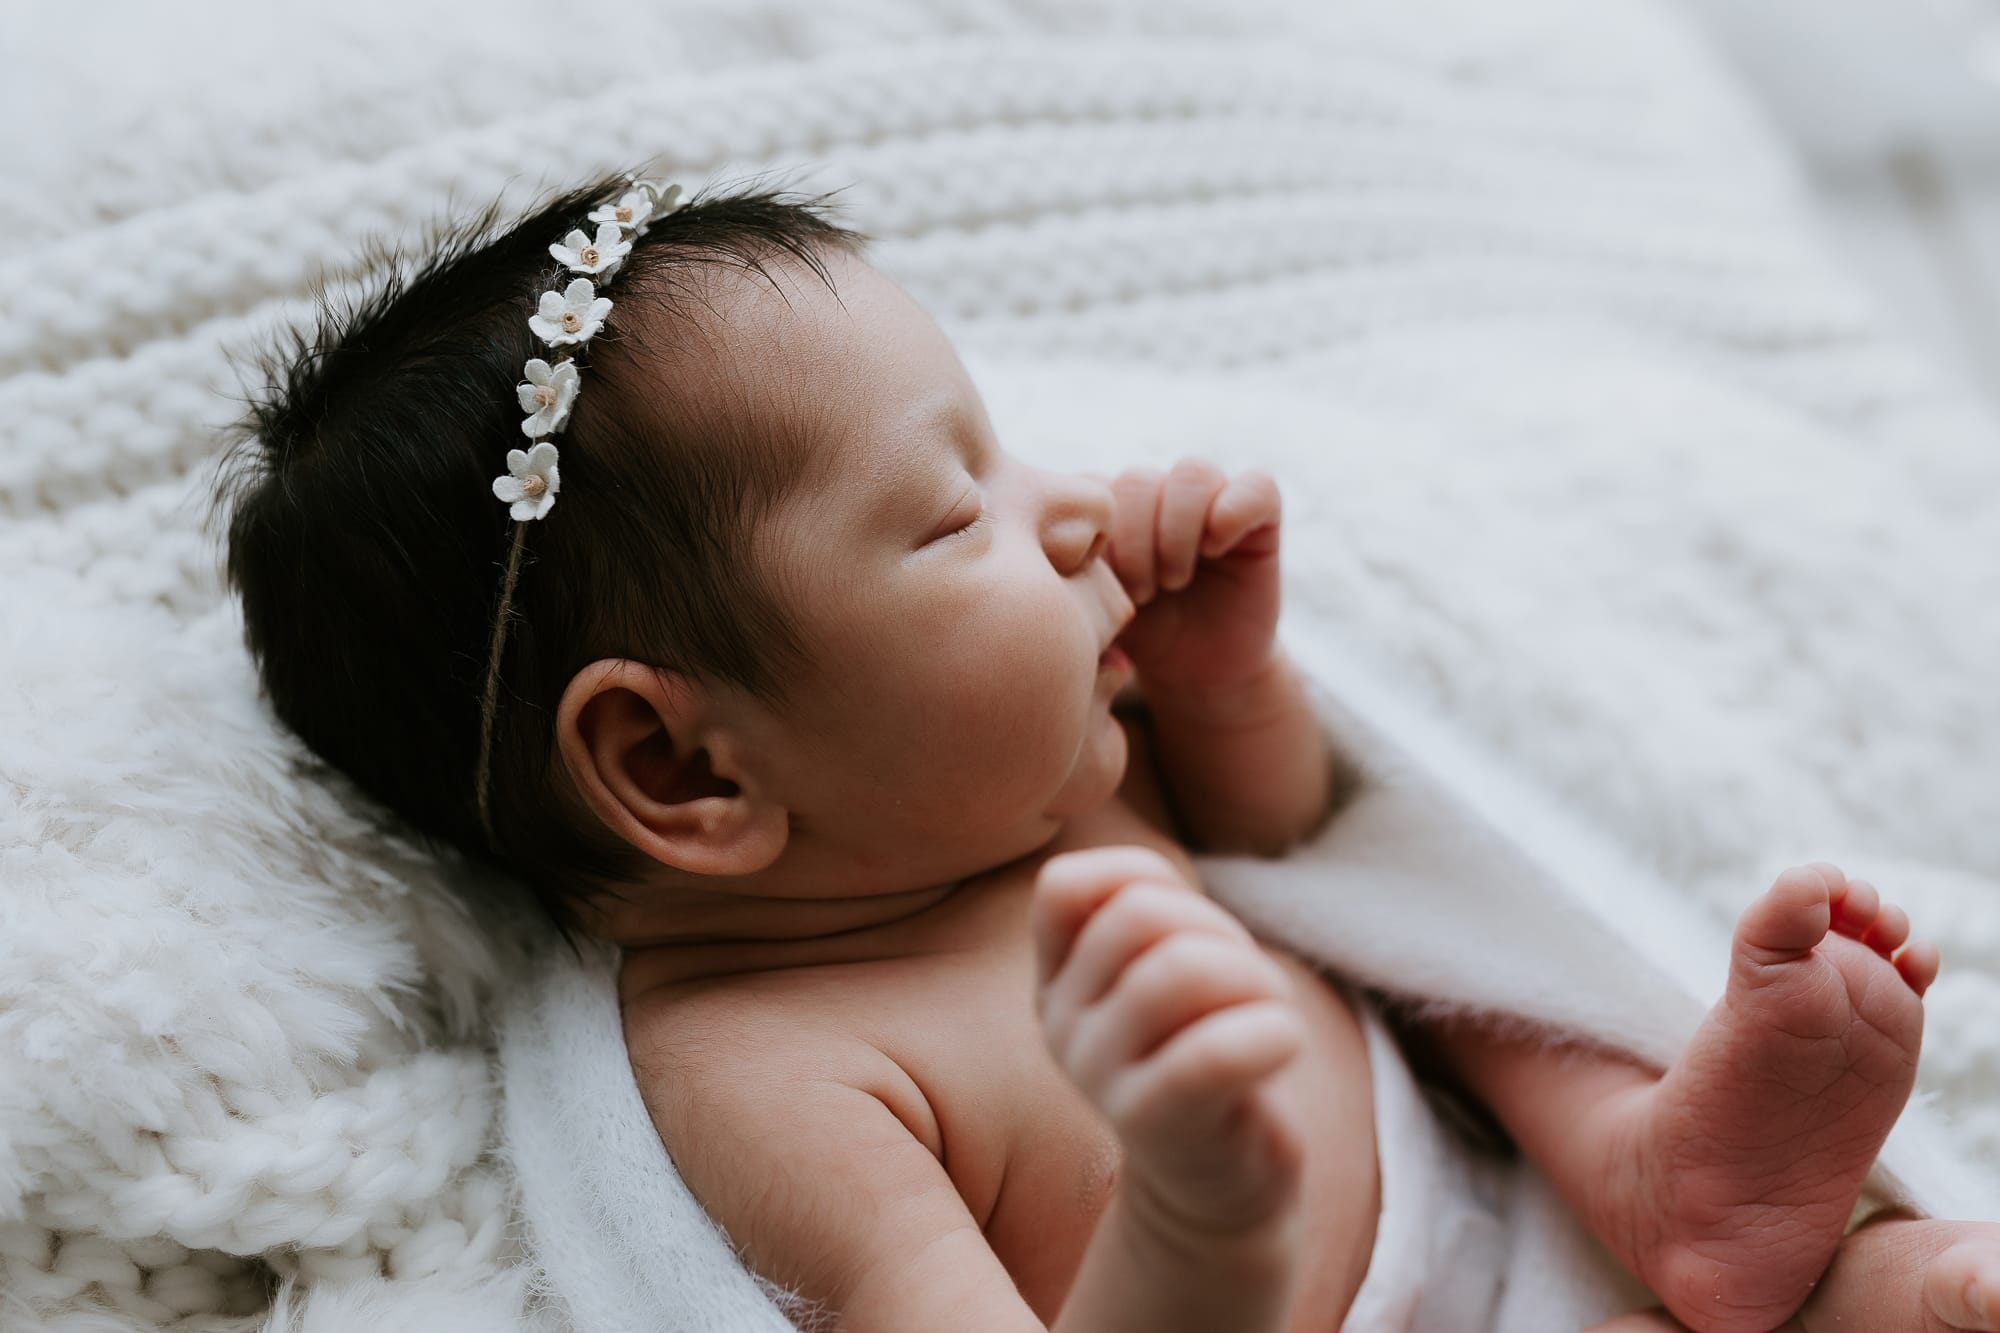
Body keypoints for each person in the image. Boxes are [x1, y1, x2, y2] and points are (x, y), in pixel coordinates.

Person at [217, 173, 2000, 1332]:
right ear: (686, 771)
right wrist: (1196, 1229)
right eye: (952, 509)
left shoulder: (1057, 775)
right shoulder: (783, 1066)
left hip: (1533, 1207)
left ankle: (1673, 1176)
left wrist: (1228, 691)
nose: (1066, 508)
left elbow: (1337, 872)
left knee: (1507, 1023)